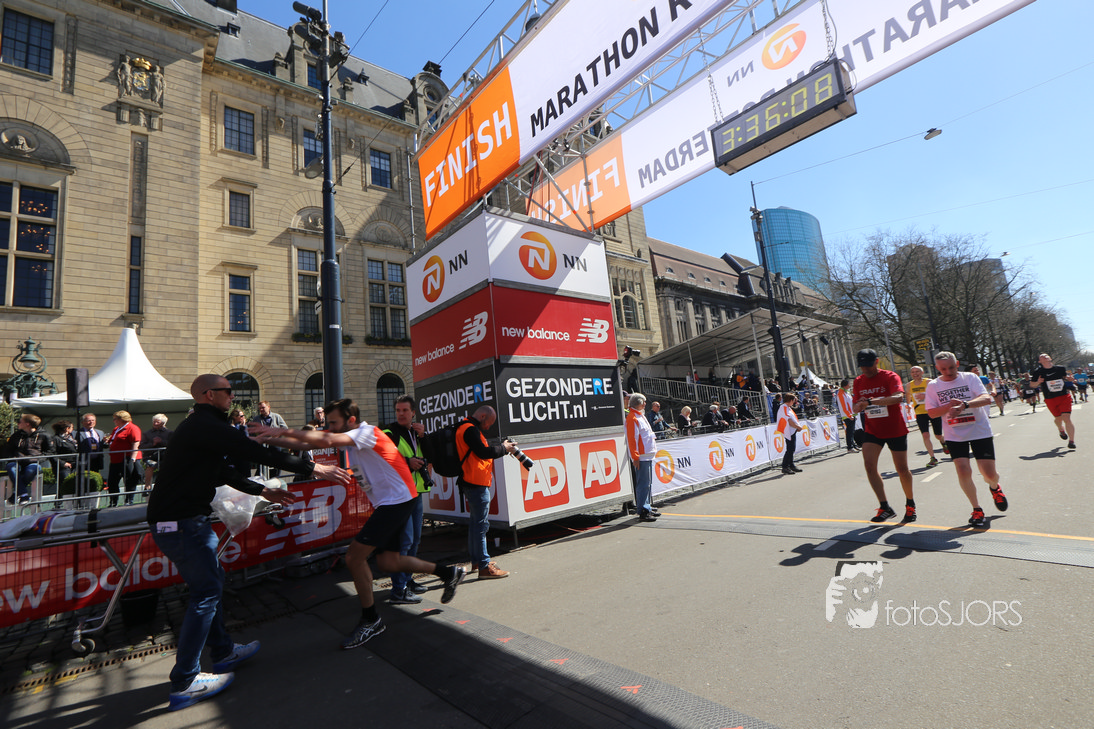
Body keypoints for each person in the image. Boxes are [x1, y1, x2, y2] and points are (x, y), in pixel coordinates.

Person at [148, 375, 349, 710]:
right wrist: (314, 467)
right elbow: (255, 451)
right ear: (208, 395)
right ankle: (185, 681)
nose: (233, 395)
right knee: (206, 593)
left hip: (186, 520)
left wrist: (262, 490)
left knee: (210, 584)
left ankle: (223, 652)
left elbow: (222, 471)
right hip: (181, 523)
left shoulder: (202, 426)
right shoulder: (204, 425)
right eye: (227, 391)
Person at [252, 398, 466, 647]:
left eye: (334, 423)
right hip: (395, 501)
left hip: (396, 502)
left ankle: (371, 619)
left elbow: (325, 440)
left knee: (354, 557)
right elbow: (307, 441)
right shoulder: (353, 438)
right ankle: (449, 573)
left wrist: (279, 430)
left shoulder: (366, 433)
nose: (330, 428)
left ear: (351, 420)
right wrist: (268, 439)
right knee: (389, 561)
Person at [925, 352, 1009, 527]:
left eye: (951, 367)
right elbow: (931, 413)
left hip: (979, 430)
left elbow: (986, 398)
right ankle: (976, 509)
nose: (948, 372)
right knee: (963, 470)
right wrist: (948, 406)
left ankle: (995, 488)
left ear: (957, 363)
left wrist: (965, 405)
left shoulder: (970, 378)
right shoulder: (933, 385)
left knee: (990, 474)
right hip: (954, 434)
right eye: (943, 369)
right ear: (937, 368)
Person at [852, 349, 916, 523]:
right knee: (869, 466)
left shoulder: (890, 376)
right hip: (873, 430)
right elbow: (855, 405)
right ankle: (884, 507)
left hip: (895, 429)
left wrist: (871, 401)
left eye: (868, 365)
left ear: (876, 361)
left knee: (902, 469)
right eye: (862, 366)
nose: (865, 369)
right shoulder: (858, 381)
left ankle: (910, 504)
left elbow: (897, 398)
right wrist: (858, 406)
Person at [455, 405, 517, 578]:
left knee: (476, 524)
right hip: (476, 482)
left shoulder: (465, 427)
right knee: (481, 526)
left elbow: (480, 451)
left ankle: (477, 561)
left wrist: (501, 447)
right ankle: (484, 566)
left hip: (472, 481)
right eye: (489, 423)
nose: (488, 427)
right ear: (482, 416)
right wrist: (504, 448)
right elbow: (483, 452)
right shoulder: (470, 429)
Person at [383, 395, 431, 604]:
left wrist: (424, 437)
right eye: (398, 410)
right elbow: (382, 458)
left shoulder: (416, 433)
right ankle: (398, 590)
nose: (401, 414)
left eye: (405, 410)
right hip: (399, 496)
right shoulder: (389, 432)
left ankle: (407, 580)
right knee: (404, 542)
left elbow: (430, 456)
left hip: (415, 493)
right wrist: (406, 461)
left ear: (413, 413)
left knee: (414, 540)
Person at [1029, 353, 1077, 449]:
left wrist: (1070, 379)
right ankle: (1060, 429)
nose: (1044, 356)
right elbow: (1032, 385)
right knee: (1058, 419)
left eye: (1046, 355)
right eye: (1042, 356)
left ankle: (1071, 441)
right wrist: (1038, 382)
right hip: (1050, 398)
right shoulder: (1038, 372)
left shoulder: (1060, 368)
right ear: (1040, 361)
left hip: (1064, 396)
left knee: (1066, 418)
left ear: (1050, 358)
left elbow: (1066, 378)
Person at [4, 414, 53, 504]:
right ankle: (23, 495)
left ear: (27, 424)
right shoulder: (16, 435)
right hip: (17, 460)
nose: (18, 423)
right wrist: (12, 457)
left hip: (33, 461)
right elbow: (8, 449)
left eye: (20, 422)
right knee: (11, 467)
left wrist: (38, 459)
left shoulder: (44, 435)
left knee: (31, 470)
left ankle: (16, 494)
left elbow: (49, 451)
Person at [625, 393, 659, 522]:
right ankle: (643, 509)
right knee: (643, 483)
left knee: (647, 483)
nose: (645, 404)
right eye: (643, 402)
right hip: (642, 456)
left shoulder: (639, 416)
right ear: (638, 403)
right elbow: (632, 439)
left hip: (647, 454)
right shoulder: (633, 417)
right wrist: (635, 457)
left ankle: (646, 506)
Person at [906, 366, 945, 467]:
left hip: (932, 411)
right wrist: (909, 405)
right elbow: (908, 396)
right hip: (920, 413)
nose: (915, 374)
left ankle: (943, 442)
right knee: (925, 435)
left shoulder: (929, 382)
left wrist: (925, 396)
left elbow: (939, 394)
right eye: (913, 372)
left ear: (922, 372)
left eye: (917, 371)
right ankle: (932, 458)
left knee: (938, 435)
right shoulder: (909, 385)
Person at [104, 411, 142, 507]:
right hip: (115, 459)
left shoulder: (132, 428)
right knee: (112, 481)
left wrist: (132, 459)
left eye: (115, 419)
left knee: (129, 480)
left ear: (121, 419)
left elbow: (135, 443)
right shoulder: (116, 429)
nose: (113, 421)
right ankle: (113, 502)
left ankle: (129, 500)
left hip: (127, 458)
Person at [249, 401, 288, 476]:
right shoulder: (256, 419)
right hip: (262, 445)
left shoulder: (276, 417)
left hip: (275, 444)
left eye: (263, 408)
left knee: (277, 462)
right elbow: (252, 432)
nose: (261, 410)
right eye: (260, 408)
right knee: (262, 463)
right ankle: (261, 477)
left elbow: (284, 428)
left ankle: (275, 477)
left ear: (268, 407)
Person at [140, 414, 173, 489]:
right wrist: (152, 444)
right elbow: (141, 446)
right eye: (154, 422)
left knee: (166, 467)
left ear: (163, 423)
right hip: (150, 456)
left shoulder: (169, 433)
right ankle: (147, 486)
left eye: (157, 422)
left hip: (165, 456)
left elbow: (173, 444)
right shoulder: (147, 433)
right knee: (150, 465)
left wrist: (161, 441)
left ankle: (165, 486)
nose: (155, 423)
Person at [77, 413, 107, 493]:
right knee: (84, 480)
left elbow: (103, 446)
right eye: (88, 420)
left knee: (95, 479)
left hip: (96, 461)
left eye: (93, 420)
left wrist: (106, 442)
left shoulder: (100, 432)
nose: (91, 422)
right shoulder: (77, 433)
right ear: (82, 422)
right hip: (84, 461)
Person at [775, 393, 803, 475]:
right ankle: (785, 466)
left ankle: (791, 465)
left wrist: (796, 427)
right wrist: (798, 427)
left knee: (791, 449)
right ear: (790, 400)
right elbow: (789, 420)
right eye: (793, 400)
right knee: (790, 449)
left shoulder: (787, 408)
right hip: (788, 431)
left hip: (792, 431)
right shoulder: (783, 407)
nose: (794, 402)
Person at [51, 420, 79, 496]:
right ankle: (59, 502)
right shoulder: (56, 439)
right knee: (64, 485)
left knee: (73, 485)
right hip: (63, 466)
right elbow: (52, 454)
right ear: (67, 428)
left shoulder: (71, 438)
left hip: (74, 464)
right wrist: (63, 463)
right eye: (72, 427)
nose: (73, 429)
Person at [836, 379, 858, 453]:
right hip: (847, 415)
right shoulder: (841, 393)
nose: (850, 385)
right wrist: (849, 415)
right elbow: (843, 405)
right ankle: (850, 447)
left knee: (852, 431)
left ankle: (853, 445)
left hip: (851, 414)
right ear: (845, 385)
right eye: (849, 384)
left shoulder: (846, 392)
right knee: (849, 432)